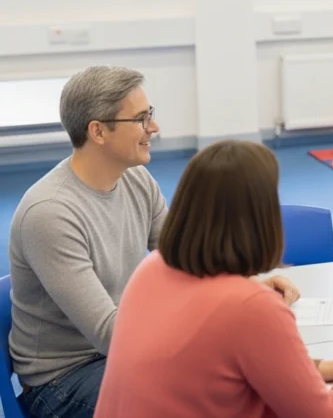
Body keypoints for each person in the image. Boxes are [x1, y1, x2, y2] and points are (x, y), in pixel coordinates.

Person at [7, 66, 299, 418]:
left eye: (151, 116)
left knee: (246, 383)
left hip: (127, 347)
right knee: (224, 394)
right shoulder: (50, 214)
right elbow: (109, 335)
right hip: (66, 379)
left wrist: (249, 289)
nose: (154, 129)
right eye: (141, 119)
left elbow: (187, 258)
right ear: (98, 131)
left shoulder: (135, 179)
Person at [94, 140, 333, 417]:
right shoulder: (252, 307)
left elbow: (209, 361)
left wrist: (317, 368)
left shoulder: (153, 268)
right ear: (262, 218)